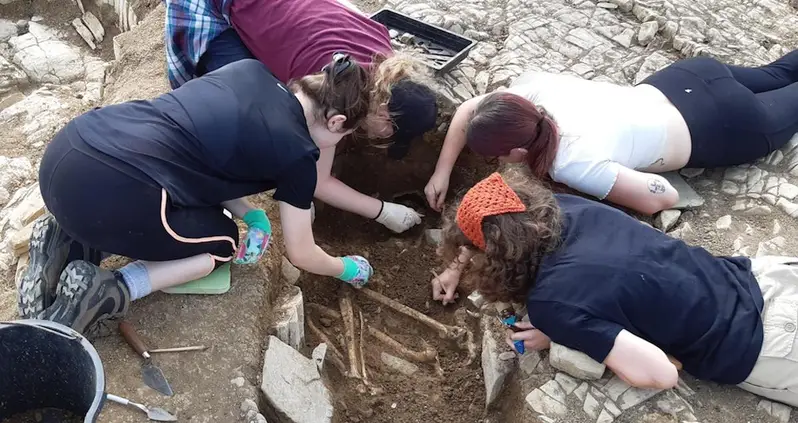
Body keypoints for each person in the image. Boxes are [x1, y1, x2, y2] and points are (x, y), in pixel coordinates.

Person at [16, 55, 374, 336]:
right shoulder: (299, 156)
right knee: (221, 243)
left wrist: (252, 213)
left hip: (69, 154)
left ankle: (72, 241)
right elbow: (302, 253)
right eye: (345, 136)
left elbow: (205, 156)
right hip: (114, 191)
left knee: (168, 201)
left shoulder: (250, 72)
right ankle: (111, 289)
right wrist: (346, 268)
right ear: (337, 122)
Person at [434, 168, 798, 406]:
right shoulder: (564, 208)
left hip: (770, 344)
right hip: (766, 277)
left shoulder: (552, 305)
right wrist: (455, 267)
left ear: (491, 259)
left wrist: (567, 330)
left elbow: (661, 373)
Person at [166, 0, 439, 233]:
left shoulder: (384, 57)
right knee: (250, 103)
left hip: (278, 11)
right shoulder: (332, 82)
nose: (383, 138)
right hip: (216, 6)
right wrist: (382, 211)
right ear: (383, 110)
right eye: (389, 132)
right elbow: (319, 182)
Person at [425, 50, 798, 216]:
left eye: (499, 157)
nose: (500, 164)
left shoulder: (571, 161)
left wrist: (637, 169)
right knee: (778, 74)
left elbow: (661, 198)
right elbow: (468, 110)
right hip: (688, 78)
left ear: (519, 152)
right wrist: (442, 171)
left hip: (723, 124)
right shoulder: (529, 91)